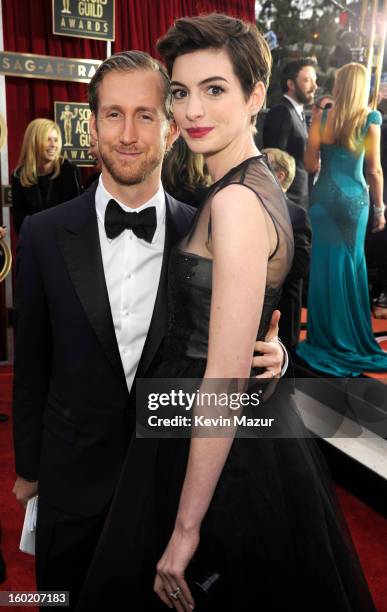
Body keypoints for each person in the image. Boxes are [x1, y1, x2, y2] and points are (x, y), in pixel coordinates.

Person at [77, 16, 375, 612]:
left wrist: (184, 533)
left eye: (214, 89)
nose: (191, 110)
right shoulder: (258, 185)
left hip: (214, 442)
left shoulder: (236, 202)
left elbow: (222, 378)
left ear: (256, 96)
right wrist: (273, 349)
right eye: (181, 93)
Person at [11, 51, 285, 610]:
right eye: (113, 114)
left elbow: (233, 358)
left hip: (170, 480)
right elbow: (31, 365)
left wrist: (276, 355)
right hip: (72, 482)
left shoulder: (210, 230)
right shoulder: (42, 233)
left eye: (146, 114)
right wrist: (28, 469)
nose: (129, 133)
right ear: (92, 126)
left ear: (172, 126)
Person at [296, 62, 387, 376]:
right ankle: (347, 337)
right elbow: (373, 170)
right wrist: (380, 209)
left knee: (323, 265)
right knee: (349, 264)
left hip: (322, 199)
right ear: (361, 86)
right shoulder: (369, 118)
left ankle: (323, 337)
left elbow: (310, 163)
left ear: (338, 84)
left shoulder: (323, 117)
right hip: (352, 201)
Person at [263, 148, 312, 351]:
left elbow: (300, 265)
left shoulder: (296, 214)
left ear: (279, 175)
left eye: (261, 166)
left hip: (282, 310)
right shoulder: (246, 205)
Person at [263, 58, 317, 209]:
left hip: (299, 200)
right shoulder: (281, 112)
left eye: (315, 80)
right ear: (291, 84)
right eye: (307, 80)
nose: (314, 87)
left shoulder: (298, 113)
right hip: (287, 204)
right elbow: (274, 161)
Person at [11, 118, 81, 234]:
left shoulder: (69, 171)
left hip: (64, 243)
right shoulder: (18, 176)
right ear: (34, 142)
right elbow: (19, 223)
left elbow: (76, 215)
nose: (53, 145)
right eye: (48, 140)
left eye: (56, 140)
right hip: (34, 243)